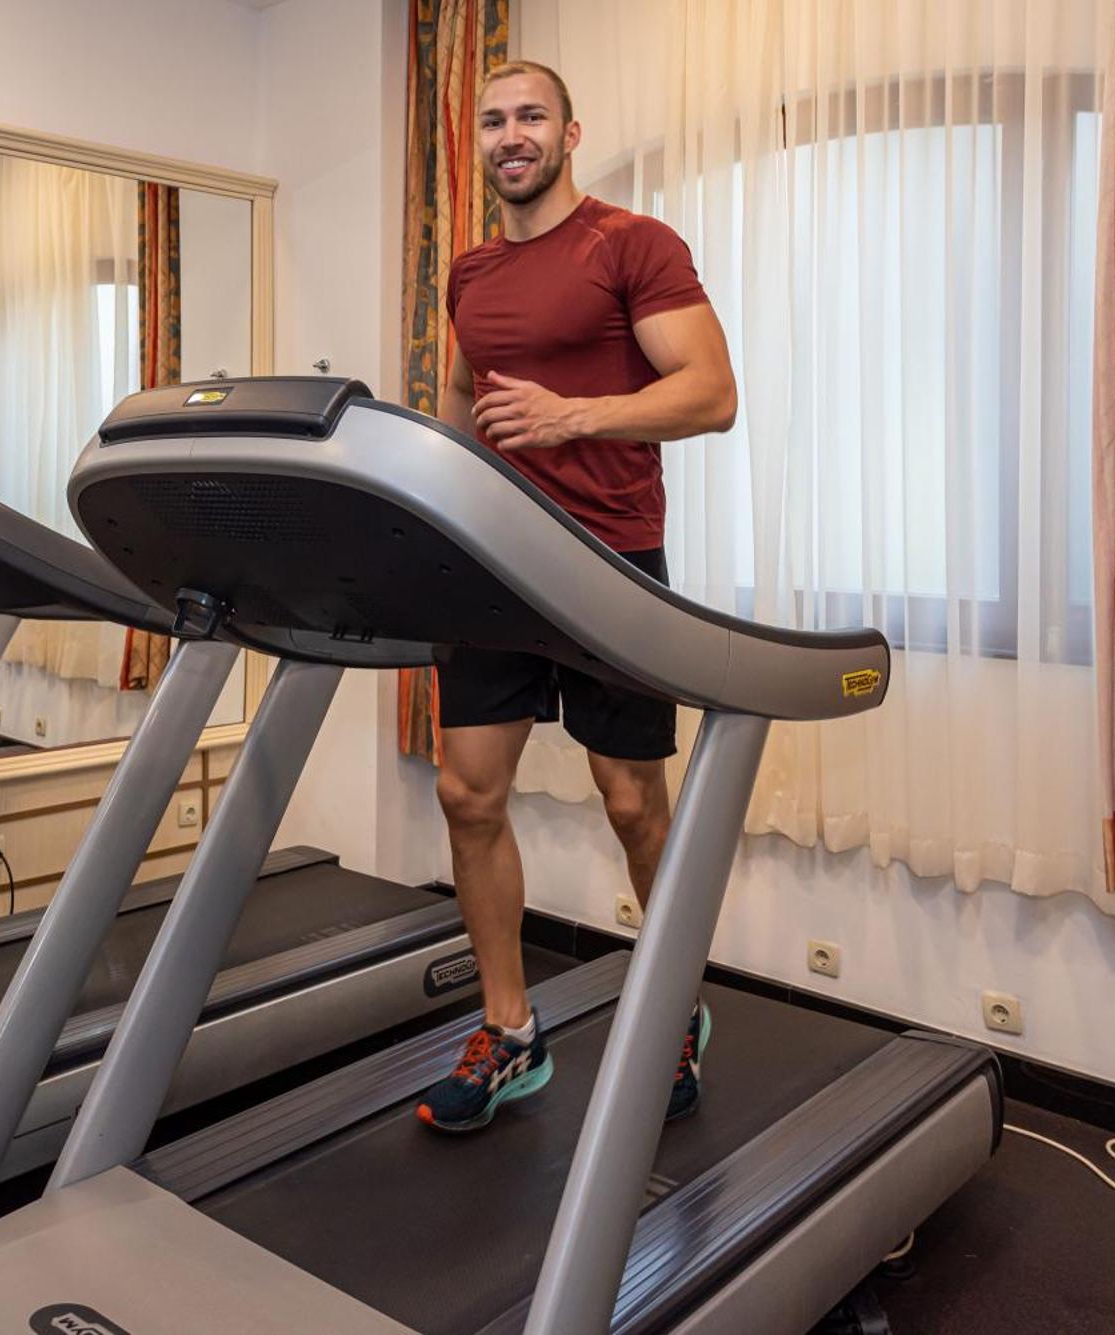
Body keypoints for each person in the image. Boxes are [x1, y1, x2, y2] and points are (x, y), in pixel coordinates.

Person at [415, 61, 739, 1133]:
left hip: (607, 556)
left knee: (632, 802)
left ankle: (674, 1013)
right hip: (491, 565)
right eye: (493, 120)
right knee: (466, 797)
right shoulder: (465, 271)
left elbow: (709, 393)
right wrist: (433, 491)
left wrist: (574, 418)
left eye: (530, 118)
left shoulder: (630, 244)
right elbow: (462, 397)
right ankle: (509, 1032)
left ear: (568, 133)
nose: (511, 135)